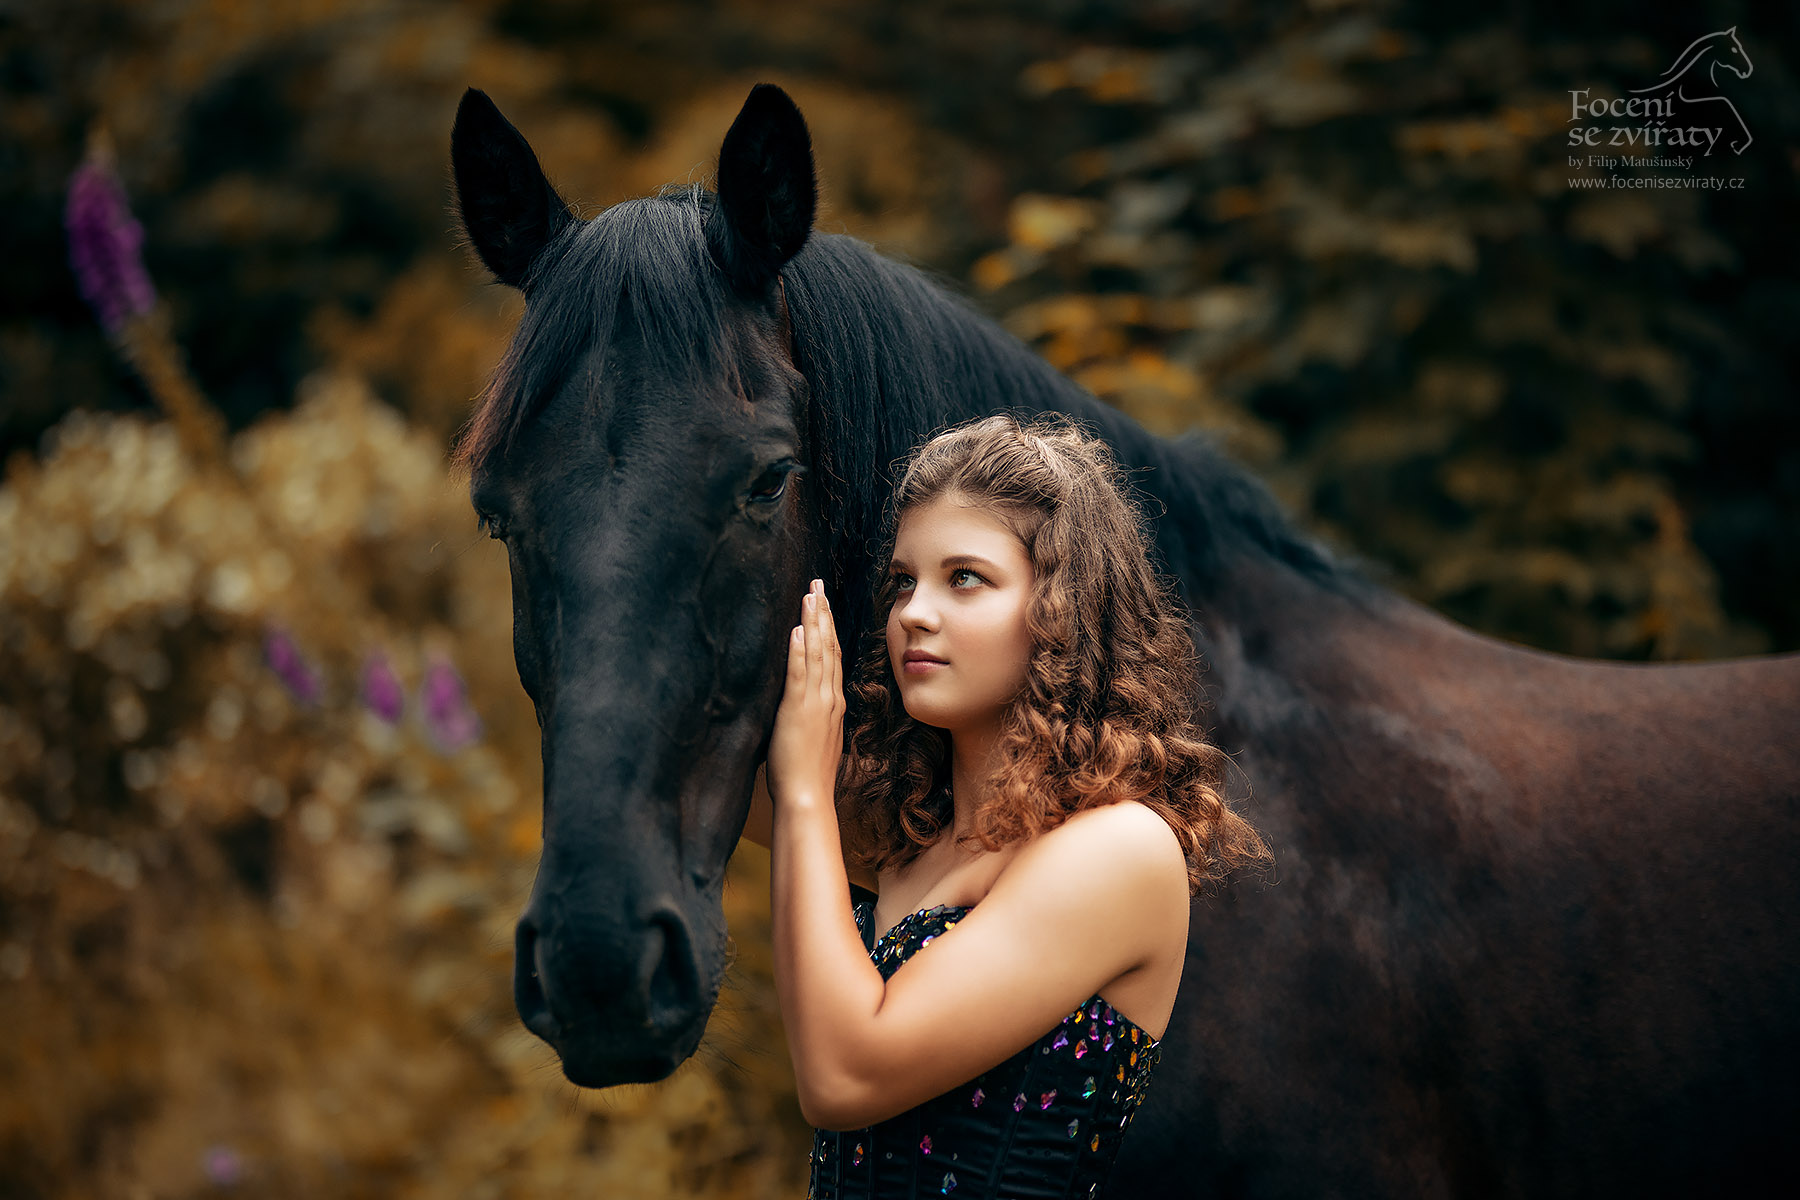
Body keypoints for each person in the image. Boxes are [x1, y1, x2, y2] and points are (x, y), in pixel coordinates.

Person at [751, 411, 1271, 1199]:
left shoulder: (1118, 850)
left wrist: (800, 793)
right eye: (903, 581)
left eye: (965, 577)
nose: (913, 613)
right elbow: (686, 774)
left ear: (1062, 610)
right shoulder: (902, 827)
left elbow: (843, 1078)